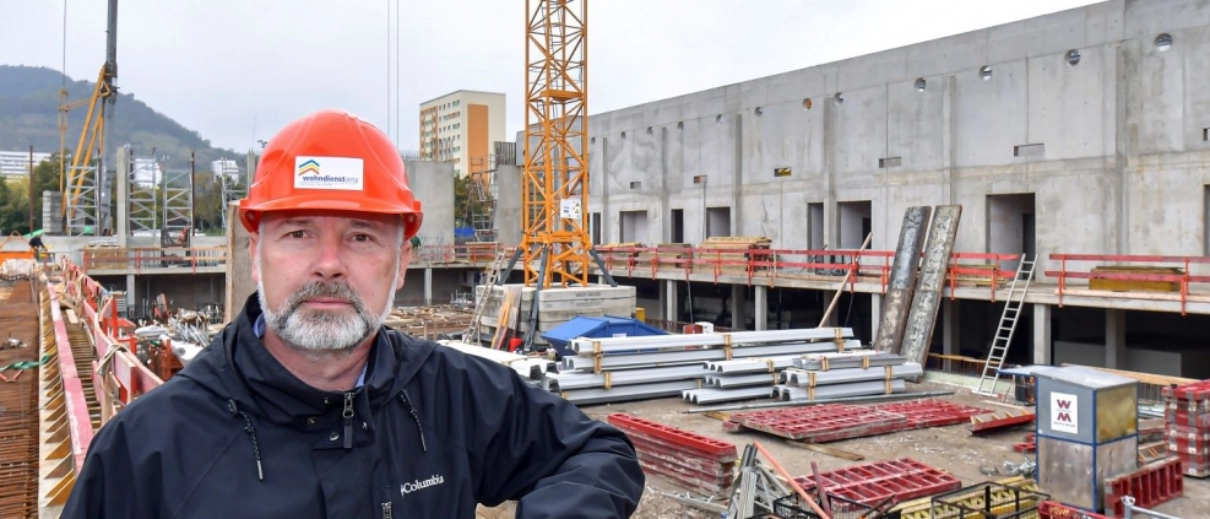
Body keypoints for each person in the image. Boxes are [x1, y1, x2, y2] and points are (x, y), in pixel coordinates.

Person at [62, 109, 645, 518]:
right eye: (298, 233)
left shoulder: (451, 395)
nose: (329, 264)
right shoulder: (147, 451)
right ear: (254, 251)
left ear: (402, 261)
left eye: (362, 237)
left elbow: (599, 452)